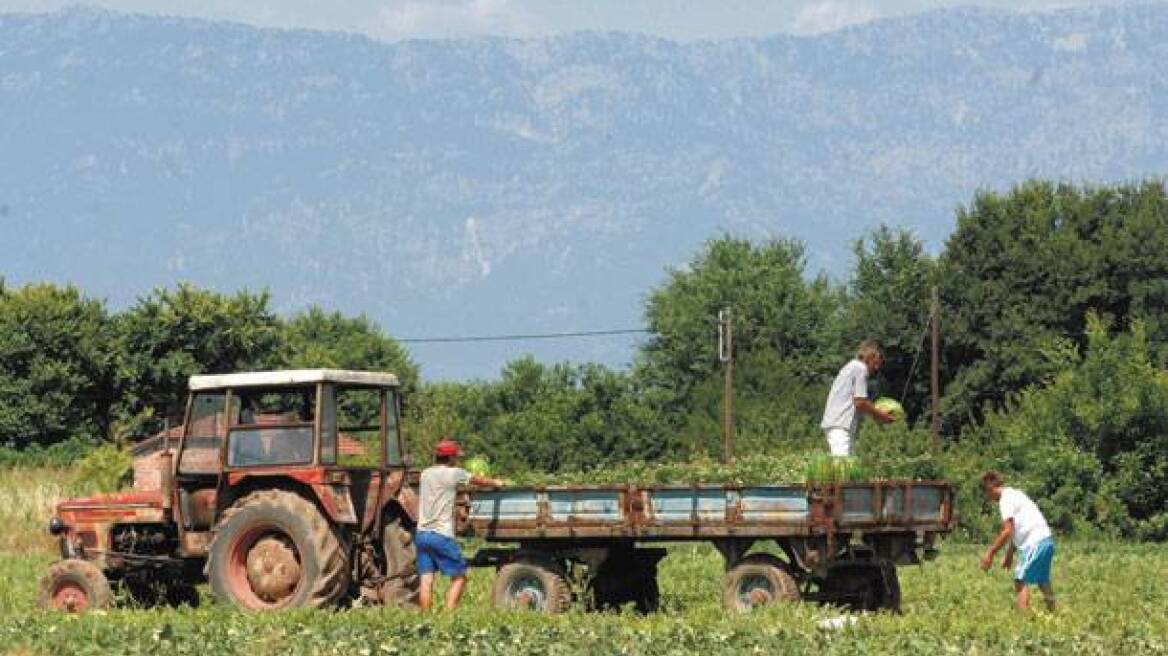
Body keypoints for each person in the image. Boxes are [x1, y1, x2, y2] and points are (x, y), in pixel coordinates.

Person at [416, 438, 504, 611]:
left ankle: (425, 617)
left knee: (426, 579)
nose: (457, 460)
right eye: (456, 457)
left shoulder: (425, 474)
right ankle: (449, 616)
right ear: (450, 458)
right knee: (460, 577)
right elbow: (478, 480)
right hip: (441, 535)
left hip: (422, 534)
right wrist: (496, 483)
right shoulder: (454, 473)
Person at [979, 471, 1057, 612]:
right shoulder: (1016, 494)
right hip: (1046, 540)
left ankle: (1024, 623)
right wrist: (1009, 554)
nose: (987, 498)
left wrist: (990, 553)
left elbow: (1008, 531)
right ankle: (1054, 612)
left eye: (986, 493)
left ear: (989, 488)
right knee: (1042, 580)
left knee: (1020, 579)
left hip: (1035, 543)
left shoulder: (1005, 500)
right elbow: (1017, 529)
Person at [819, 340, 894, 456]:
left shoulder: (851, 367)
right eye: (876, 363)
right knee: (842, 467)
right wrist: (881, 415)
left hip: (838, 423)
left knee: (848, 467)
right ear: (870, 357)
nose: (877, 367)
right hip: (840, 425)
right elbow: (860, 402)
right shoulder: (860, 369)